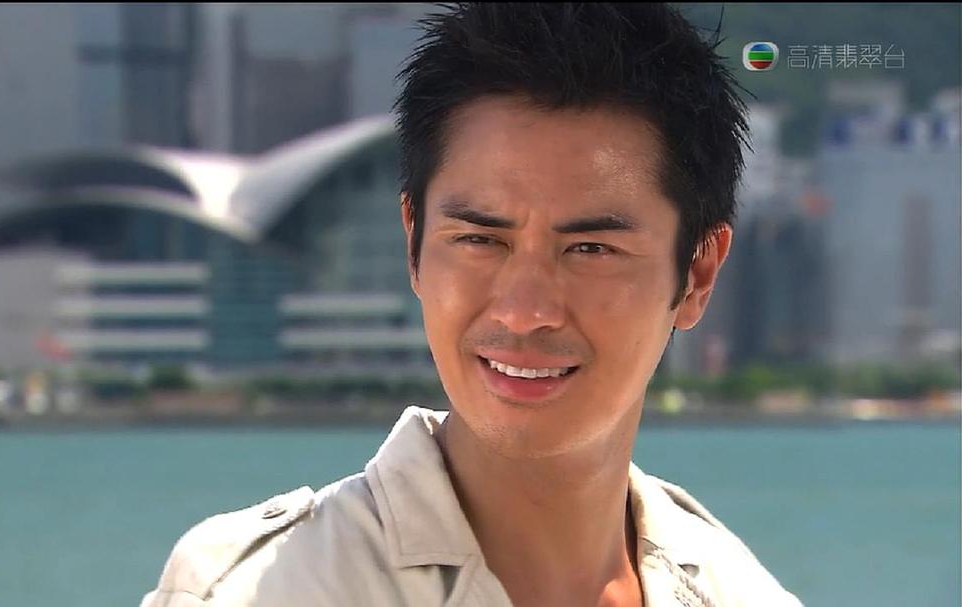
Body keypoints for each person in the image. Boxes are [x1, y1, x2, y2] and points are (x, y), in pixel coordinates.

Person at [141, 3, 803, 606]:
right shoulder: (258, 592)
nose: (524, 311)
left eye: (591, 249)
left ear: (698, 273)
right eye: (480, 239)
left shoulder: (743, 595)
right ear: (414, 243)